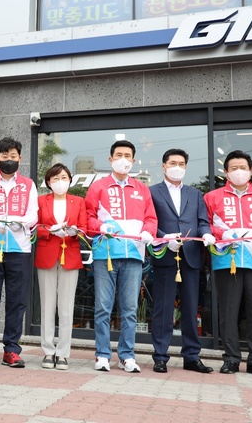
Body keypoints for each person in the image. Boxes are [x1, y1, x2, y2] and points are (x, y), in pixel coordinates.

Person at [204, 150, 252, 378]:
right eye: (233, 168)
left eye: (243, 168)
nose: (239, 172)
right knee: (229, 312)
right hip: (226, 260)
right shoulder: (212, 197)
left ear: (251, 171)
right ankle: (230, 359)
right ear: (226, 171)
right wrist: (222, 232)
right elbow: (204, 225)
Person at [86, 139, 157, 374]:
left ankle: (126, 355)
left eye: (128, 155)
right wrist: (100, 226)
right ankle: (102, 354)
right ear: (110, 159)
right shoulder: (98, 187)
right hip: (105, 254)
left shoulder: (142, 189)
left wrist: (149, 231)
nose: (123, 159)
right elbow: (87, 217)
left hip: (134, 255)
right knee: (103, 308)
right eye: (119, 155)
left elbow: (151, 218)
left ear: (133, 161)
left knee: (129, 310)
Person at [149, 149, 215, 374]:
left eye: (181, 163)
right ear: (164, 166)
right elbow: (148, 223)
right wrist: (163, 238)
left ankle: (191, 356)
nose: (177, 166)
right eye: (172, 163)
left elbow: (202, 221)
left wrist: (206, 233)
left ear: (186, 166)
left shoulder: (195, 194)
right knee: (163, 309)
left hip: (191, 256)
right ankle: (160, 356)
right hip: (165, 255)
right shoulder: (152, 192)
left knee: (190, 308)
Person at [0, 137, 38, 368]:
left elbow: (33, 215)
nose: (9, 160)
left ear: (20, 158)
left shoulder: (29, 184)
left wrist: (17, 222)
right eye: (4, 156)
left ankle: (11, 349)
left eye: (13, 156)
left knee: (17, 301)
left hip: (20, 248)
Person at [35, 163, 87, 370]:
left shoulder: (78, 201)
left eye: (63, 177)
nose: (60, 182)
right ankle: (48, 351)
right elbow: (34, 227)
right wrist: (49, 230)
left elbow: (84, 229)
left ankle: (63, 353)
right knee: (47, 306)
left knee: (66, 308)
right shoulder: (40, 200)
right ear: (48, 182)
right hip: (47, 254)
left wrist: (74, 231)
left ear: (70, 180)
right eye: (55, 178)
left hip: (70, 254)